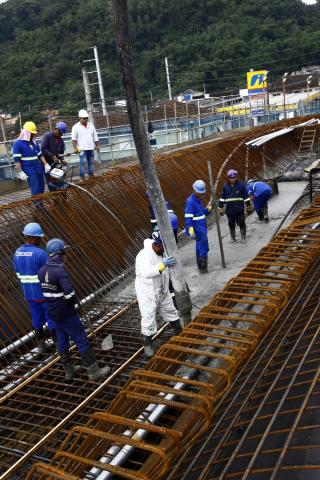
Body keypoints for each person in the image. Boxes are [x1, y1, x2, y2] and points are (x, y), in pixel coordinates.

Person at [38, 238, 110, 381]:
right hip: (67, 314)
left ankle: (69, 371)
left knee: (62, 340)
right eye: (64, 251)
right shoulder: (60, 272)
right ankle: (93, 371)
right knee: (81, 339)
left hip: (53, 313)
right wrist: (69, 301)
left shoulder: (41, 271)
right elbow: (69, 293)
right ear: (59, 254)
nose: (66, 254)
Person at [135, 231, 182, 359]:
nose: (163, 249)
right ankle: (147, 344)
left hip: (162, 290)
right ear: (156, 245)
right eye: (161, 247)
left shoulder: (162, 252)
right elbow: (146, 272)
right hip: (148, 293)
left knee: (171, 312)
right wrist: (163, 265)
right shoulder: (143, 256)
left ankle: (181, 333)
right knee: (149, 318)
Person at [13, 222, 56, 354]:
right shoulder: (41, 254)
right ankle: (59, 344)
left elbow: (18, 273)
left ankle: (41, 345)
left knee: (36, 317)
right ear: (35, 238)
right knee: (52, 317)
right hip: (43, 294)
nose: (41, 239)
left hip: (29, 294)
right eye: (40, 237)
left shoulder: (17, 253)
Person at [13, 121, 51, 196]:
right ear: (26, 132)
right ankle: (38, 207)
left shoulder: (34, 142)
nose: (34, 135)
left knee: (41, 188)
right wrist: (20, 172)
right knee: (35, 189)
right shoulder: (18, 144)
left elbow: (40, 155)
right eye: (32, 133)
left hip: (38, 168)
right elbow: (17, 160)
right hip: (29, 170)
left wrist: (46, 164)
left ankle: (41, 206)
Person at [185, 180, 212, 273]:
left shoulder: (198, 200)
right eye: (199, 192)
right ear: (194, 190)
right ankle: (203, 269)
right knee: (203, 247)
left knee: (199, 247)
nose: (201, 194)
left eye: (201, 193)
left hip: (201, 227)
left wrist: (209, 209)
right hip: (198, 228)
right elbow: (188, 218)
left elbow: (200, 213)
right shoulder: (190, 201)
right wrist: (191, 230)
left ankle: (201, 267)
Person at [219, 169, 252, 243]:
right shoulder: (225, 187)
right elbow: (222, 197)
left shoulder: (241, 185)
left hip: (239, 210)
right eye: (231, 178)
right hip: (229, 211)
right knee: (231, 224)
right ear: (228, 178)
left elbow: (246, 197)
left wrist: (248, 206)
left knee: (242, 223)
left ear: (236, 177)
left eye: (234, 178)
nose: (233, 179)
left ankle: (243, 237)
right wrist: (220, 207)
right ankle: (233, 238)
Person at [71, 109, 100, 181]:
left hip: (90, 147)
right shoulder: (75, 127)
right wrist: (75, 148)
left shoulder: (91, 126)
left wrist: (97, 145)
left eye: (86, 118)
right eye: (84, 118)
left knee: (91, 163)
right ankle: (82, 177)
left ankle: (91, 175)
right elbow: (73, 139)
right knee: (82, 163)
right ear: (80, 118)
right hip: (82, 149)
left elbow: (95, 137)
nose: (85, 119)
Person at [41, 122, 67, 190]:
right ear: (56, 129)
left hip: (55, 162)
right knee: (50, 181)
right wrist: (52, 156)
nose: (60, 135)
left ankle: (60, 193)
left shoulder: (61, 141)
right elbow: (43, 148)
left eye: (62, 134)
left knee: (59, 178)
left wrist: (62, 159)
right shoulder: (47, 136)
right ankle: (53, 195)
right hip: (47, 163)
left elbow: (61, 153)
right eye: (60, 133)